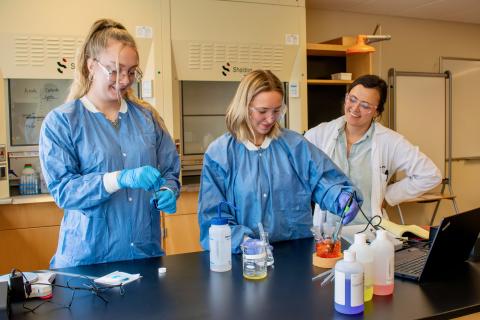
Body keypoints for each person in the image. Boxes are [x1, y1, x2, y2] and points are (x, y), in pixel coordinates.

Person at [39, 19, 180, 268]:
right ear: (91, 65)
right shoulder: (62, 122)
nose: (124, 79)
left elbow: (170, 170)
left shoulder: (147, 118)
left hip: (144, 257)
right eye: (115, 70)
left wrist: (169, 190)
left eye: (132, 71)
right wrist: (118, 179)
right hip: (87, 261)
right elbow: (64, 190)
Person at [198, 70, 362, 253]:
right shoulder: (220, 154)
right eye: (262, 111)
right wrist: (243, 241)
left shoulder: (295, 145)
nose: (270, 119)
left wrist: (340, 196)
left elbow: (324, 181)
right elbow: (213, 216)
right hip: (244, 258)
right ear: (244, 107)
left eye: (277, 111)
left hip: (296, 254)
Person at [305, 74, 442, 226]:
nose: (355, 108)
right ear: (346, 98)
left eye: (365, 105)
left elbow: (430, 175)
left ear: (377, 112)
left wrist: (389, 196)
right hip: (327, 235)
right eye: (352, 99)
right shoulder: (318, 135)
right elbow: (299, 175)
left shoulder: (390, 141)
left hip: (369, 235)